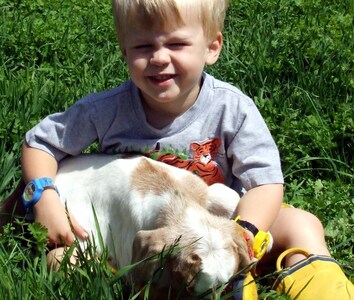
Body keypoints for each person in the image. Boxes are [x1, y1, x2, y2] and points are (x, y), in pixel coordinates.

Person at [20, 0, 353, 299]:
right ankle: (127, 277)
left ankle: (313, 282)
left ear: (212, 47)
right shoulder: (106, 110)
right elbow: (40, 145)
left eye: (177, 43)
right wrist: (42, 195)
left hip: (225, 225)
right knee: (64, 260)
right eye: (142, 46)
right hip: (142, 237)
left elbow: (266, 183)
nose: (159, 57)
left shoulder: (232, 109)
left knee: (301, 224)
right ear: (123, 49)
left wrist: (244, 234)